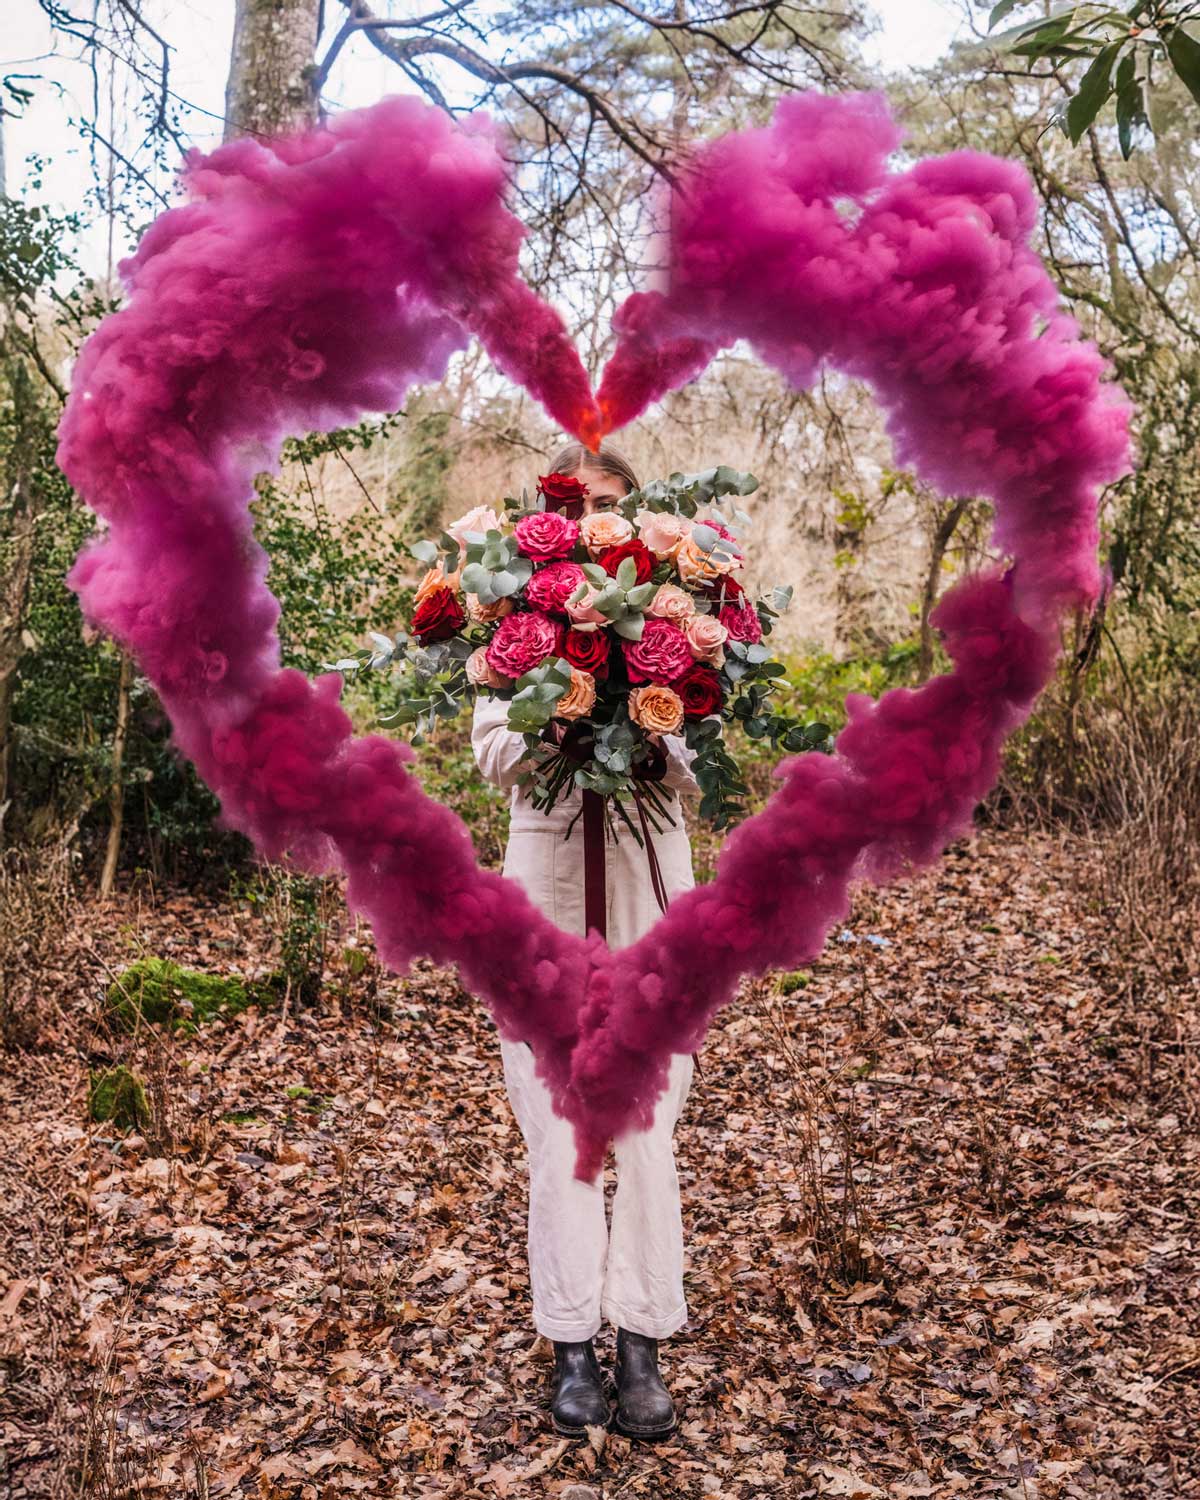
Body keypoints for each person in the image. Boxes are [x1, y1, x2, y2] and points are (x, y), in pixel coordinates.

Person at [470, 439, 700, 1442]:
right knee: (558, 1125)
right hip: (548, 894)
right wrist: (552, 721)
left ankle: (641, 1339)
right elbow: (490, 752)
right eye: (574, 508)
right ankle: (571, 1342)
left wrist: (641, 731)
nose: (589, 525)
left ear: (635, 527)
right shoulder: (511, 627)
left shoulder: (678, 625)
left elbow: (697, 757)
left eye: (608, 507)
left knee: (647, 1125)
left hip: (648, 889)